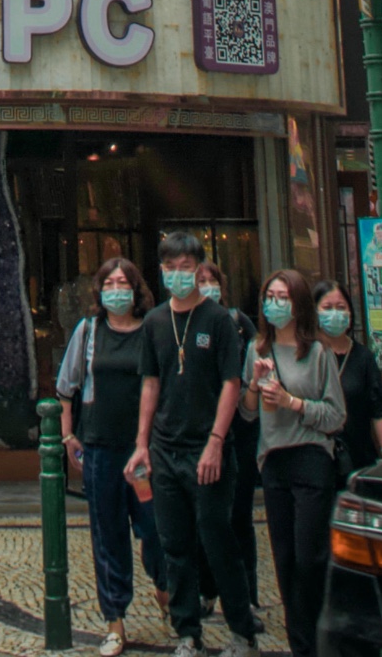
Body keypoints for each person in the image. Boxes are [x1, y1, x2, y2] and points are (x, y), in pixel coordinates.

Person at [126, 232, 258, 657]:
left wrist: (217, 441)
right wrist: (142, 444)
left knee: (217, 540)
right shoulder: (155, 322)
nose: (179, 275)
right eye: (171, 268)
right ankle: (188, 633)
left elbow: (231, 383)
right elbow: (150, 383)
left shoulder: (218, 320)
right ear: (161, 271)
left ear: (199, 269)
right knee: (175, 545)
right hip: (165, 450)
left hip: (208, 448)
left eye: (186, 268)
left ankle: (242, 632)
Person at [58, 258, 168, 656]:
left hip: (143, 452)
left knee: (155, 527)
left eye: (124, 283)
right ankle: (115, 621)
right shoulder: (89, 332)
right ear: (100, 291)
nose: (117, 290)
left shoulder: (152, 330)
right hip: (101, 449)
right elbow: (67, 387)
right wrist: (68, 435)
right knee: (108, 537)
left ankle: (164, 587)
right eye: (110, 284)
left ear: (137, 290)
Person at [240, 270, 345, 657]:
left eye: (283, 297)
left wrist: (293, 403)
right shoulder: (257, 349)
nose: (275, 304)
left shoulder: (317, 352)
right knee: (284, 558)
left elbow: (336, 416)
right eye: (270, 296)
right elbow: (248, 412)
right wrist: (254, 385)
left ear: (298, 304)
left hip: (311, 457)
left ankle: (321, 638)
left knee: (309, 557)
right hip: (274, 459)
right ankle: (301, 645)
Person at [194, 262, 262, 632]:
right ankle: (207, 590)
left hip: (240, 429)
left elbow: (254, 366)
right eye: (201, 281)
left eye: (212, 281)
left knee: (239, 517)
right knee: (206, 518)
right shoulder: (185, 323)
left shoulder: (239, 323)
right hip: (202, 432)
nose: (207, 287)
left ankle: (247, 595)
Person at [311, 280, 382, 472]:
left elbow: (379, 409)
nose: (335, 313)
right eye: (327, 308)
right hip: (315, 461)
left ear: (350, 312)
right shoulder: (306, 356)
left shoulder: (363, 357)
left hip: (358, 459)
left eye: (341, 307)